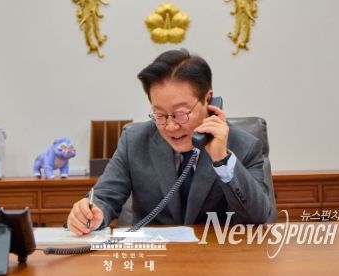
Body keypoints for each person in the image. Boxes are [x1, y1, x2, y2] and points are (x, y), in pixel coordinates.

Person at [67, 49, 274, 235]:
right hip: (154, 256)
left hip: (218, 256)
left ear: (208, 100)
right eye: (160, 114)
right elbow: (104, 197)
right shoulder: (134, 141)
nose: (171, 126)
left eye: (181, 114)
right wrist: (91, 212)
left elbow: (257, 217)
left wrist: (222, 159)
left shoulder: (244, 145)